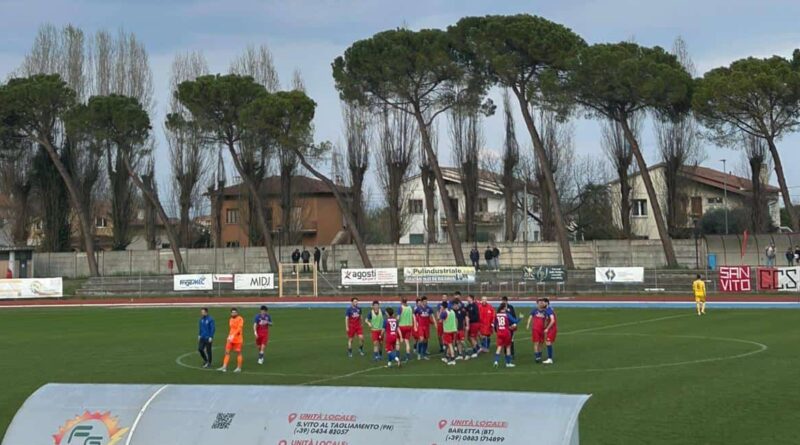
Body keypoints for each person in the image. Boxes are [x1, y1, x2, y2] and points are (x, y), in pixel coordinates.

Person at [218, 308, 244, 373]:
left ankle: (239, 368)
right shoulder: (231, 319)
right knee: (227, 352)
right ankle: (224, 367)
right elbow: (231, 329)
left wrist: (233, 335)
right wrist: (229, 336)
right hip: (230, 339)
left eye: (235, 312)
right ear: (231, 313)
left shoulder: (240, 319)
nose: (233, 313)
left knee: (238, 353)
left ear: (237, 313)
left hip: (237, 339)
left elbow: (239, 328)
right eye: (232, 312)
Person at [492, 303, 518, 368]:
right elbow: (515, 321)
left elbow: (494, 324)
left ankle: (496, 361)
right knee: (508, 347)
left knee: (499, 347)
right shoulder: (507, 315)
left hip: (500, 332)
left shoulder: (497, 315)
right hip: (506, 332)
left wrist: (496, 331)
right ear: (504, 307)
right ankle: (508, 363)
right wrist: (520, 318)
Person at [397, 298, 416, 362]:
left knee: (398, 341)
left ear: (401, 302)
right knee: (407, 342)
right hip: (409, 326)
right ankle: (408, 356)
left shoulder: (400, 308)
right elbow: (414, 317)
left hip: (402, 326)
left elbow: (398, 317)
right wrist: (415, 325)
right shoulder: (410, 308)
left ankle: (397, 356)